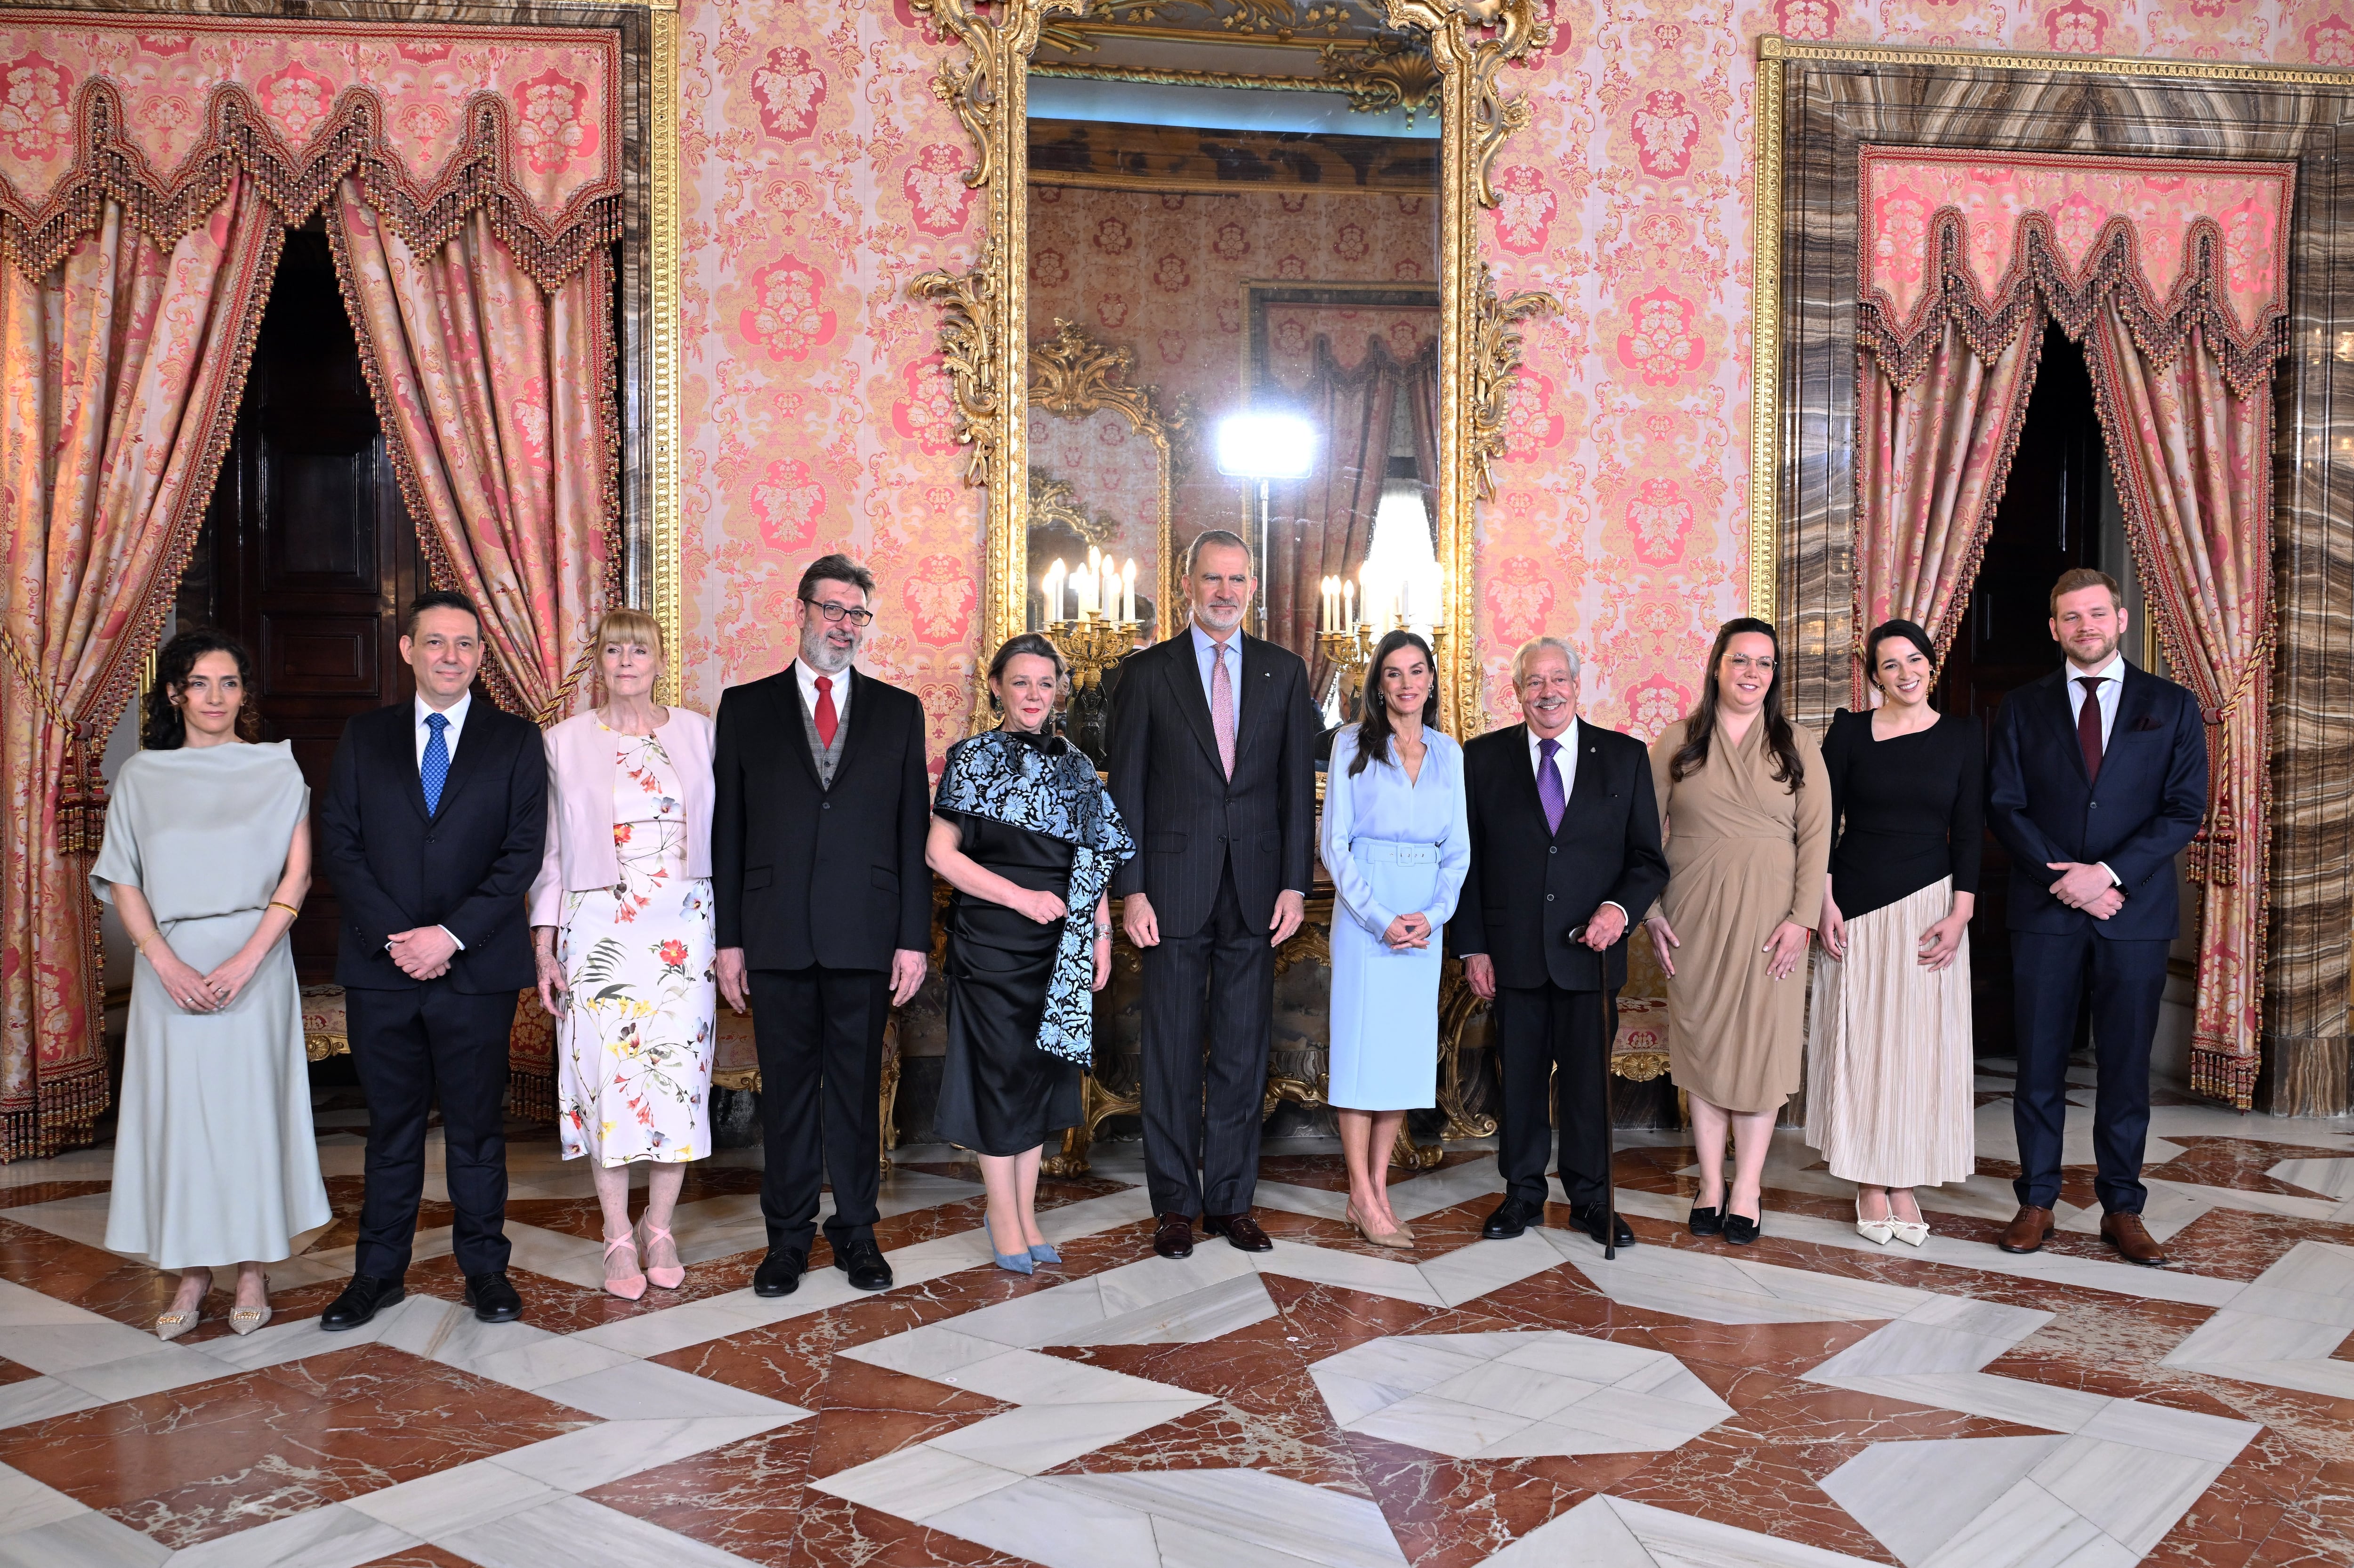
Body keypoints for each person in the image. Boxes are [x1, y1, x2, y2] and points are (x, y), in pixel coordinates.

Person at [318, 591, 548, 1328]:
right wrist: (401, 938)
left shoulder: (516, 741)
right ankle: (377, 1275)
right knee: (391, 1129)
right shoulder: (364, 736)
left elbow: (522, 855)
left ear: (481, 656)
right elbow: (342, 848)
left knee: (479, 1130)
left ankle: (486, 1271)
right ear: (408, 650)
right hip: (381, 970)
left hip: (475, 969)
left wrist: (447, 937)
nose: (452, 656)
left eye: (466, 645)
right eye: (437, 642)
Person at [94, 630, 331, 1338]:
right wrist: (163, 962)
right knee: (182, 1123)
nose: (217, 698)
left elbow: (299, 875)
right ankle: (192, 1275)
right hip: (171, 967)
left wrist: (249, 958)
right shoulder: (142, 777)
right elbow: (123, 877)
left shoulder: (275, 768)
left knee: (252, 1118)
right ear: (174, 693)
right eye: (201, 683)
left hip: (256, 962)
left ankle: (255, 1269)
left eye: (230, 684)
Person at [713, 554, 930, 1298]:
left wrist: (913, 937)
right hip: (773, 933)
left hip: (867, 934)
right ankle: (786, 1240)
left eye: (857, 614)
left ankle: (858, 1234)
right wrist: (728, 940)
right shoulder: (744, 709)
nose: (844, 624)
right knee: (789, 1094)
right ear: (800, 610)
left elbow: (911, 835)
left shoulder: (901, 712)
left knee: (855, 1088)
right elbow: (728, 834)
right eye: (832, 609)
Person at [1106, 529, 1317, 1260]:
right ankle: (1173, 1206)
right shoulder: (1146, 674)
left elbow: (1296, 789)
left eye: (1237, 579)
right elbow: (1126, 790)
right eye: (1211, 579)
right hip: (1170, 889)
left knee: (1241, 1050)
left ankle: (1231, 1201)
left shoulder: (1284, 673)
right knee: (1168, 1048)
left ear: (1253, 587)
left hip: (1258, 891)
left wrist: (1296, 880)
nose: (1225, 592)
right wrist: (1129, 890)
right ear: (1186, 585)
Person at [1988, 568, 2205, 1266]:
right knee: (2040, 1063)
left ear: (2121, 619)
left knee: (2125, 1066)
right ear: (2054, 629)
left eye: (2096, 615)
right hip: (2046, 912)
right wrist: (2069, 881)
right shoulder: (2021, 707)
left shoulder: (2171, 705)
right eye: (2070, 619)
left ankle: (2123, 1207)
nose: (2084, 627)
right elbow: (2005, 805)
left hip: (2133, 913)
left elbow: (2183, 809)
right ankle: (2037, 1200)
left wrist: (2106, 876)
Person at [927, 634, 1135, 1273]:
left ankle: (1021, 1213)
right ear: (996, 687)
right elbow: (940, 854)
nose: (1034, 695)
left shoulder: (1077, 765)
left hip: (1061, 945)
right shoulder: (972, 758)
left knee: (1037, 1082)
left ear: (1059, 691)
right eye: (1021, 682)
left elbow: (1092, 860)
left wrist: (1101, 935)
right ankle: (1005, 1216)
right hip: (992, 941)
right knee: (998, 1081)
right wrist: (1019, 897)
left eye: (1046, 684)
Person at [1453, 637, 1666, 1251]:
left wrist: (1617, 911)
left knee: (1586, 1086)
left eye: (1557, 680)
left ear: (1578, 684)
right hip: (1511, 953)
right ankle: (1521, 1193)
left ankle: (1592, 1201)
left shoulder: (1624, 758)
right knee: (1517, 1081)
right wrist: (1473, 948)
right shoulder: (1483, 759)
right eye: (1534, 683)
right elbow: (1466, 862)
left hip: (1589, 955)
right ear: (1517, 693)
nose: (1547, 693)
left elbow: (1648, 861)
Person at [530, 609, 717, 1299]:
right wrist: (545, 946)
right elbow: (550, 852)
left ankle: (660, 1227)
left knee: (676, 1081)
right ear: (600, 662)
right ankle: (616, 1237)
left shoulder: (701, 734)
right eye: (614, 650)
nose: (627, 661)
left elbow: (730, 835)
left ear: (662, 659)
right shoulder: (563, 743)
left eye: (640, 649)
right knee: (603, 1079)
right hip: (599, 930)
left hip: (685, 929)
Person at [1644, 618, 1831, 1247]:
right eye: (1740, 661)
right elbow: (1640, 836)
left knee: (1761, 1050)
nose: (1752, 674)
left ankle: (1747, 1187)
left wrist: (1802, 921)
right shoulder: (1677, 740)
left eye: (1764, 664)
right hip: (1692, 918)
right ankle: (1710, 1185)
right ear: (1717, 667)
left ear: (1774, 676)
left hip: (1772, 925)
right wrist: (1650, 912)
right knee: (1702, 1049)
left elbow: (1817, 841)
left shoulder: (1800, 745)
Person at [1806, 619, 1982, 1247]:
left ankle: (1903, 1179)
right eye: (1890, 665)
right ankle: (1868, 1180)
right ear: (1873, 675)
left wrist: (1962, 912)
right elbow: (1821, 822)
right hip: (1853, 901)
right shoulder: (1851, 731)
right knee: (1865, 1044)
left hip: (1931, 908)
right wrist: (1820, 900)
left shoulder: (1964, 736)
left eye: (1914, 660)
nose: (1905, 673)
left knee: (1917, 1050)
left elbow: (1968, 831)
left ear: (1931, 665)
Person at [1321, 631, 1469, 1249]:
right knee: (1362, 1058)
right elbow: (1334, 845)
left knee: (1403, 1059)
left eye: (1417, 672)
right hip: (1366, 921)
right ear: (1377, 685)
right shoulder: (1351, 744)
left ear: (1431, 681)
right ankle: (1360, 1192)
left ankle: (1378, 1190)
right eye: (1393, 674)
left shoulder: (1449, 753)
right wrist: (1382, 918)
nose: (1407, 684)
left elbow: (1458, 851)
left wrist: (1433, 917)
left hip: (1423, 923)